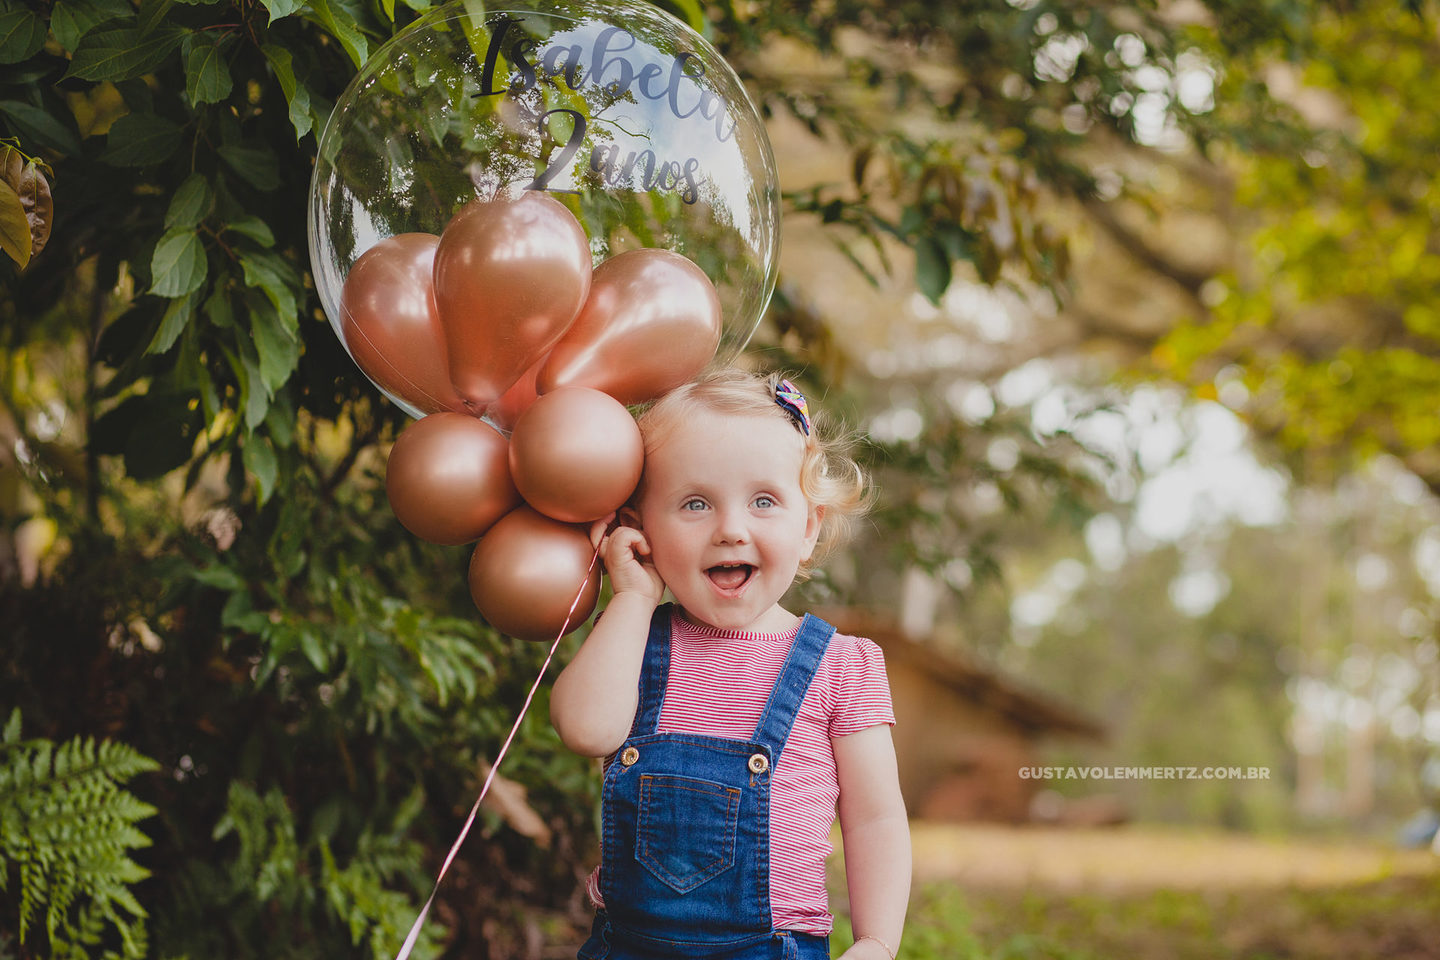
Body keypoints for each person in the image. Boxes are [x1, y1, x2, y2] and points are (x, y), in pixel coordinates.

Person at [551, 369, 910, 960]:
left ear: (808, 527)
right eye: (695, 503)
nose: (731, 530)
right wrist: (634, 598)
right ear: (640, 530)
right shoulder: (633, 638)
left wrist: (875, 941)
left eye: (764, 501)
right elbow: (584, 729)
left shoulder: (843, 667)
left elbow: (874, 818)